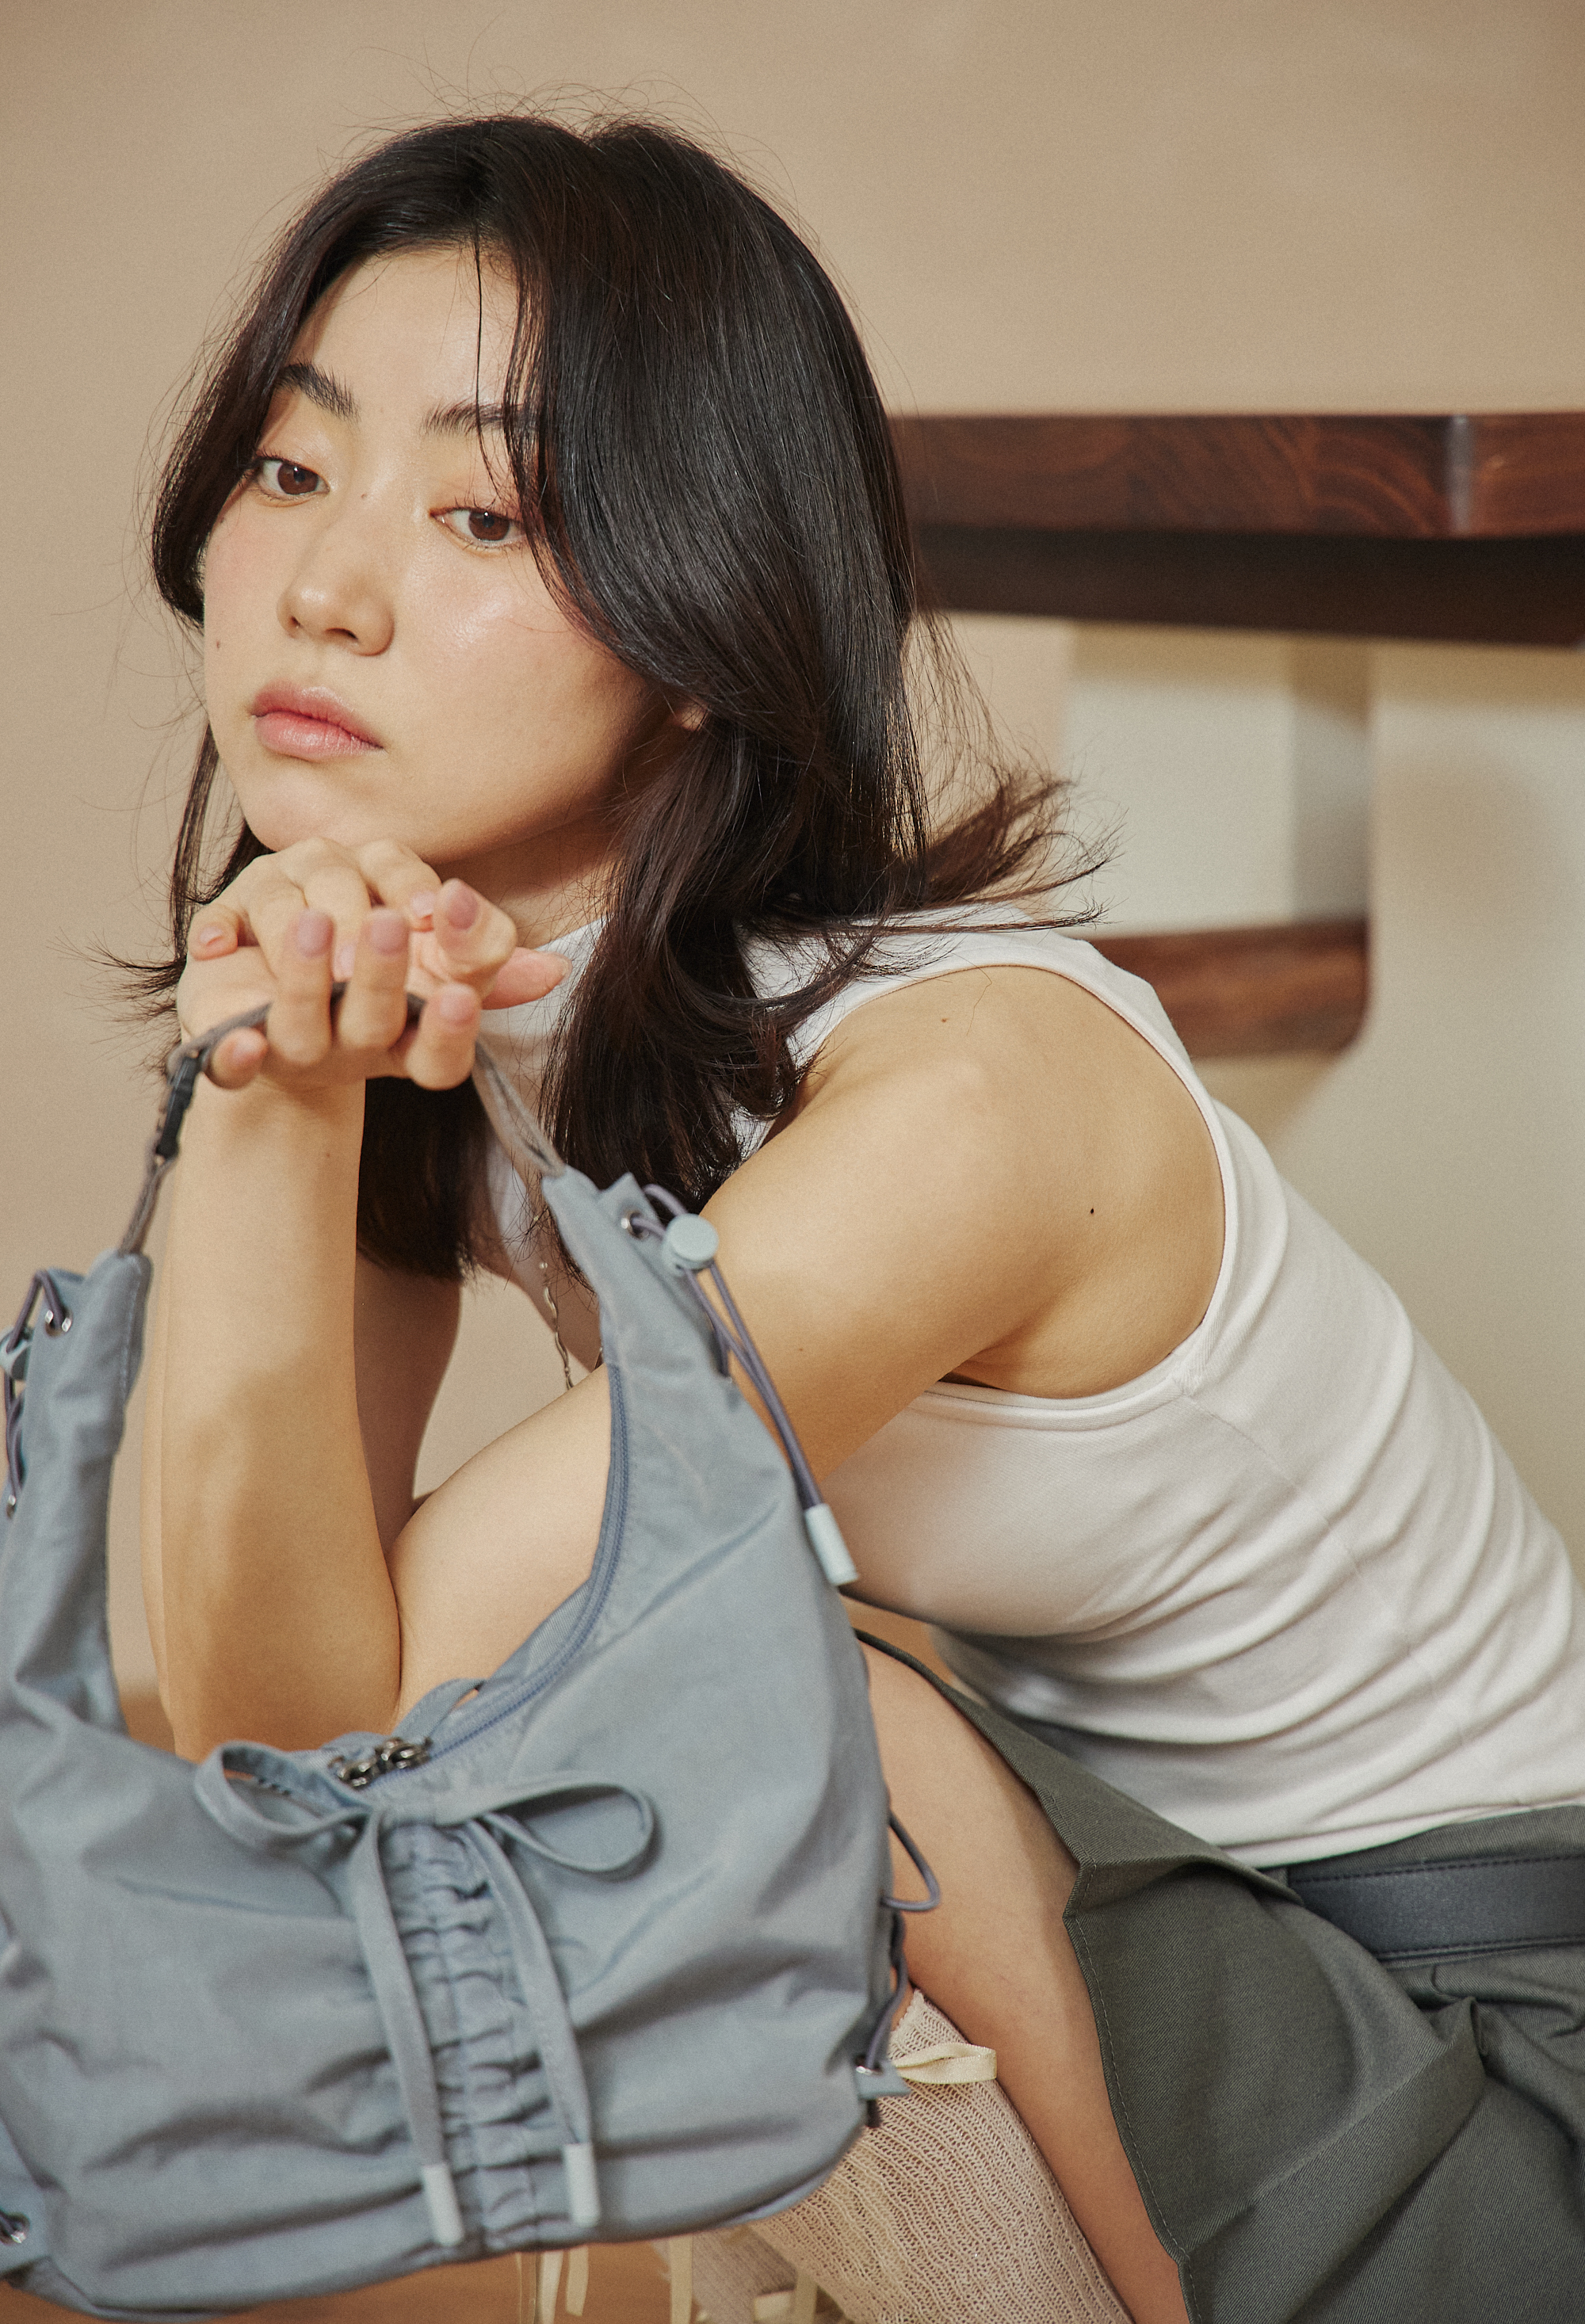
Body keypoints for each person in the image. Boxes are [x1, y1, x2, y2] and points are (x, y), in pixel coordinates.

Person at [137, 113, 1585, 2324]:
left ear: (700, 622)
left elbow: (395, 1719)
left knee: (707, 1703)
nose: (325, 587)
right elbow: (265, 1733)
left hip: (1487, 2060)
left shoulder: (966, 1097)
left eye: (484, 512)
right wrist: (272, 1106)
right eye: (290, 464)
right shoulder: (448, 1018)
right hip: (1156, 1944)